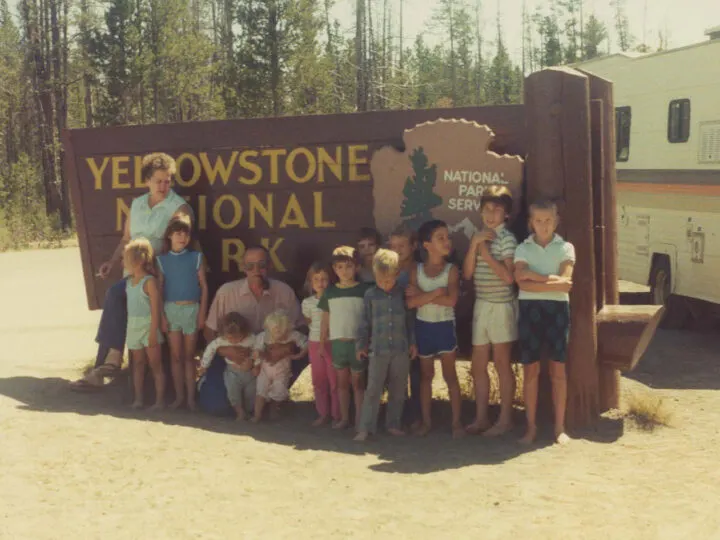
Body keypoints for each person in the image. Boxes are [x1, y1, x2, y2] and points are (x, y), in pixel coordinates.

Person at [71, 153, 192, 391]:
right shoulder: (137, 205)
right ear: (147, 180)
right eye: (158, 181)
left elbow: (181, 236)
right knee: (115, 296)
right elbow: (127, 238)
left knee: (118, 296)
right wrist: (112, 261)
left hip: (159, 274)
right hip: (132, 272)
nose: (163, 186)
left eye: (168, 180)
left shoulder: (178, 206)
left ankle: (110, 363)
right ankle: (108, 364)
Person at [200, 246, 304, 413]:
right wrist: (223, 350)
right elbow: (209, 330)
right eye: (250, 266)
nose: (256, 270)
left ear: (270, 266)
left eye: (261, 265)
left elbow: (302, 328)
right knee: (215, 406)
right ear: (243, 268)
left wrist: (287, 348)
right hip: (233, 357)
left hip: (270, 358)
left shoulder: (284, 292)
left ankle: (275, 397)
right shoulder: (227, 292)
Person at [514, 199, 575, 445]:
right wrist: (548, 282)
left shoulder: (566, 248)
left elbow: (567, 284)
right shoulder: (522, 248)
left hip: (558, 310)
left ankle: (560, 428)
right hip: (529, 310)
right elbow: (521, 282)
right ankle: (530, 428)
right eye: (538, 221)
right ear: (531, 223)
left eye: (548, 220)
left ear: (556, 221)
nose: (543, 225)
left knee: (558, 370)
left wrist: (534, 277)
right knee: (531, 370)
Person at [462, 186, 518, 437]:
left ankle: (505, 419)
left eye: (497, 209)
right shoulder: (478, 235)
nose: (491, 214)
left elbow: (508, 277)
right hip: (482, 305)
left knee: (502, 364)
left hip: (501, 306)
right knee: (478, 365)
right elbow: (467, 273)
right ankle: (481, 418)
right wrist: (474, 246)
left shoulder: (507, 238)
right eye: (487, 209)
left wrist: (485, 252)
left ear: (506, 214)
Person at [406, 220, 464, 438]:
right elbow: (410, 304)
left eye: (447, 237)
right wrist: (435, 292)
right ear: (426, 244)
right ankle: (427, 422)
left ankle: (456, 422)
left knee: (450, 376)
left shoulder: (451, 270)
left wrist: (423, 296)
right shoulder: (416, 270)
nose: (446, 241)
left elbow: (451, 301)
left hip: (444, 328)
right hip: (423, 328)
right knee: (426, 377)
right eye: (440, 238)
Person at [355, 249, 417, 442]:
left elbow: (410, 321)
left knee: (398, 388)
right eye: (381, 281)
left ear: (397, 274)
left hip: (400, 349)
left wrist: (413, 342)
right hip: (378, 350)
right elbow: (365, 323)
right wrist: (361, 345)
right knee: (373, 388)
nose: (385, 284)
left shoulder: (402, 294)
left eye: (389, 280)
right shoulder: (370, 295)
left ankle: (393, 423)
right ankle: (365, 427)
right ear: (375, 275)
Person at [157, 215, 208, 411]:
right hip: (171, 310)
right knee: (175, 356)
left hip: (192, 310)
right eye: (178, 233)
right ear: (169, 236)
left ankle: (191, 398)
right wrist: (162, 316)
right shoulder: (162, 260)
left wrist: (202, 312)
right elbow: (160, 289)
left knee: (189, 356)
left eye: (185, 233)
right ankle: (179, 397)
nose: (182, 237)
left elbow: (203, 286)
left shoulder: (196, 257)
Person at [319, 246, 370, 429]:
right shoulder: (330, 292)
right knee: (341, 383)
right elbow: (325, 317)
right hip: (337, 344)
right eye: (339, 267)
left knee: (358, 383)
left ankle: (359, 419)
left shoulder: (364, 290)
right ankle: (344, 418)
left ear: (356, 267)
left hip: (357, 344)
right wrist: (322, 341)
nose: (344, 271)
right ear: (334, 269)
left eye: (348, 266)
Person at [123, 238, 165, 410]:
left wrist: (154, 331)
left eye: (126, 258)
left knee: (156, 365)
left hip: (148, 326)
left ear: (138, 260)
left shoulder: (149, 282)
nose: (124, 262)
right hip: (133, 327)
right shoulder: (128, 282)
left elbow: (156, 308)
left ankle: (159, 401)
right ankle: (138, 399)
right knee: (138, 364)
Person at [388, 225, 421, 429]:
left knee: (415, 370)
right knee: (395, 372)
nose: (397, 250)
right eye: (393, 246)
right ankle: (396, 415)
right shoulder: (388, 269)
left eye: (402, 245)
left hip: (415, 322)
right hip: (393, 326)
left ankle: (416, 414)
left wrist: (418, 290)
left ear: (414, 246)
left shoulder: (418, 268)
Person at [252, 310, 308, 422]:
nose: (278, 336)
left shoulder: (293, 335)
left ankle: (273, 410)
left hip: (283, 370)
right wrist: (257, 364)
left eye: (282, 334)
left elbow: (306, 343)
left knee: (279, 390)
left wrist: (298, 355)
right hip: (265, 369)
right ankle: (257, 415)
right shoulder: (263, 337)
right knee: (261, 390)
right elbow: (256, 350)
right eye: (274, 333)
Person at [302, 262, 340, 427]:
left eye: (324, 279)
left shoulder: (336, 300)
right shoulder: (307, 303)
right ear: (310, 282)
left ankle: (338, 414)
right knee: (319, 379)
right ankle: (323, 413)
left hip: (333, 342)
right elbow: (308, 321)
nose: (320, 283)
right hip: (315, 343)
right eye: (316, 279)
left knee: (335, 381)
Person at [199, 312, 257, 421]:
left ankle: (248, 411)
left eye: (238, 338)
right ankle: (239, 412)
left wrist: (255, 363)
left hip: (249, 372)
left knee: (251, 393)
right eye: (230, 338)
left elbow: (258, 350)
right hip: (232, 371)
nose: (234, 341)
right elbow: (210, 349)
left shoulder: (251, 339)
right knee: (232, 392)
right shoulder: (221, 341)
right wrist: (204, 365)